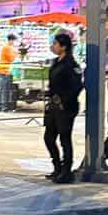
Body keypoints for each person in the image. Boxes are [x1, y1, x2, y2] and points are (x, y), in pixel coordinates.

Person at [43, 30, 81, 183]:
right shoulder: (56, 62)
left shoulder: (71, 65)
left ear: (64, 46)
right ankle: (57, 166)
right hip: (53, 106)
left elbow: (77, 86)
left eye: (55, 44)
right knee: (49, 137)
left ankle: (66, 171)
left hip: (66, 107)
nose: (53, 46)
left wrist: (63, 99)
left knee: (65, 138)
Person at [0, 32, 20, 111]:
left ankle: (1, 107)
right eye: (14, 41)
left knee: (3, 90)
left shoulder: (7, 47)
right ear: (11, 40)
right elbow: (12, 58)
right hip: (4, 71)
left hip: (3, 70)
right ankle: (4, 107)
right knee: (5, 90)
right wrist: (18, 53)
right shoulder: (7, 47)